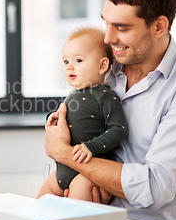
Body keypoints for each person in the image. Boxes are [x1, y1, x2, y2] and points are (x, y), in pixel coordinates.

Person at [43, 0, 176, 220]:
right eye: (106, 23)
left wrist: (65, 155)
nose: (109, 38)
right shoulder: (106, 64)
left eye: (121, 28)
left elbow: (153, 188)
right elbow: (75, 121)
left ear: (159, 26)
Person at [37, 27, 127, 201]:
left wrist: (91, 147)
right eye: (65, 61)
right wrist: (54, 116)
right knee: (38, 205)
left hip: (86, 173)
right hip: (62, 170)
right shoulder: (74, 93)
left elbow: (119, 128)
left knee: (74, 217)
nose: (69, 66)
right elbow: (70, 117)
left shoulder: (105, 97)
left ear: (102, 65)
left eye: (78, 60)